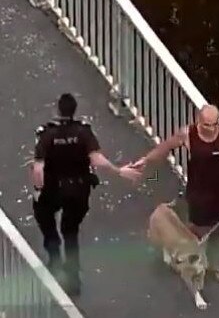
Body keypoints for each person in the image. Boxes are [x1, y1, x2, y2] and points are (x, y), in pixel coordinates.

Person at [30, 93, 141, 295]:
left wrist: (38, 190)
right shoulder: (83, 132)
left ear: (57, 110)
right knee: (70, 231)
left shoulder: (47, 135)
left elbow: (38, 169)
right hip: (78, 190)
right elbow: (96, 159)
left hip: (52, 189)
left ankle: (54, 256)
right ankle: (73, 279)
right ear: (74, 110)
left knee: (45, 218)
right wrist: (118, 171)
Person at [132, 104, 219, 283]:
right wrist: (146, 160)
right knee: (194, 232)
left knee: (217, 232)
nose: (211, 128)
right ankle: (185, 260)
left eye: (214, 124)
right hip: (198, 193)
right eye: (207, 124)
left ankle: (212, 265)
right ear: (199, 121)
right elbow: (165, 147)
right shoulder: (187, 134)